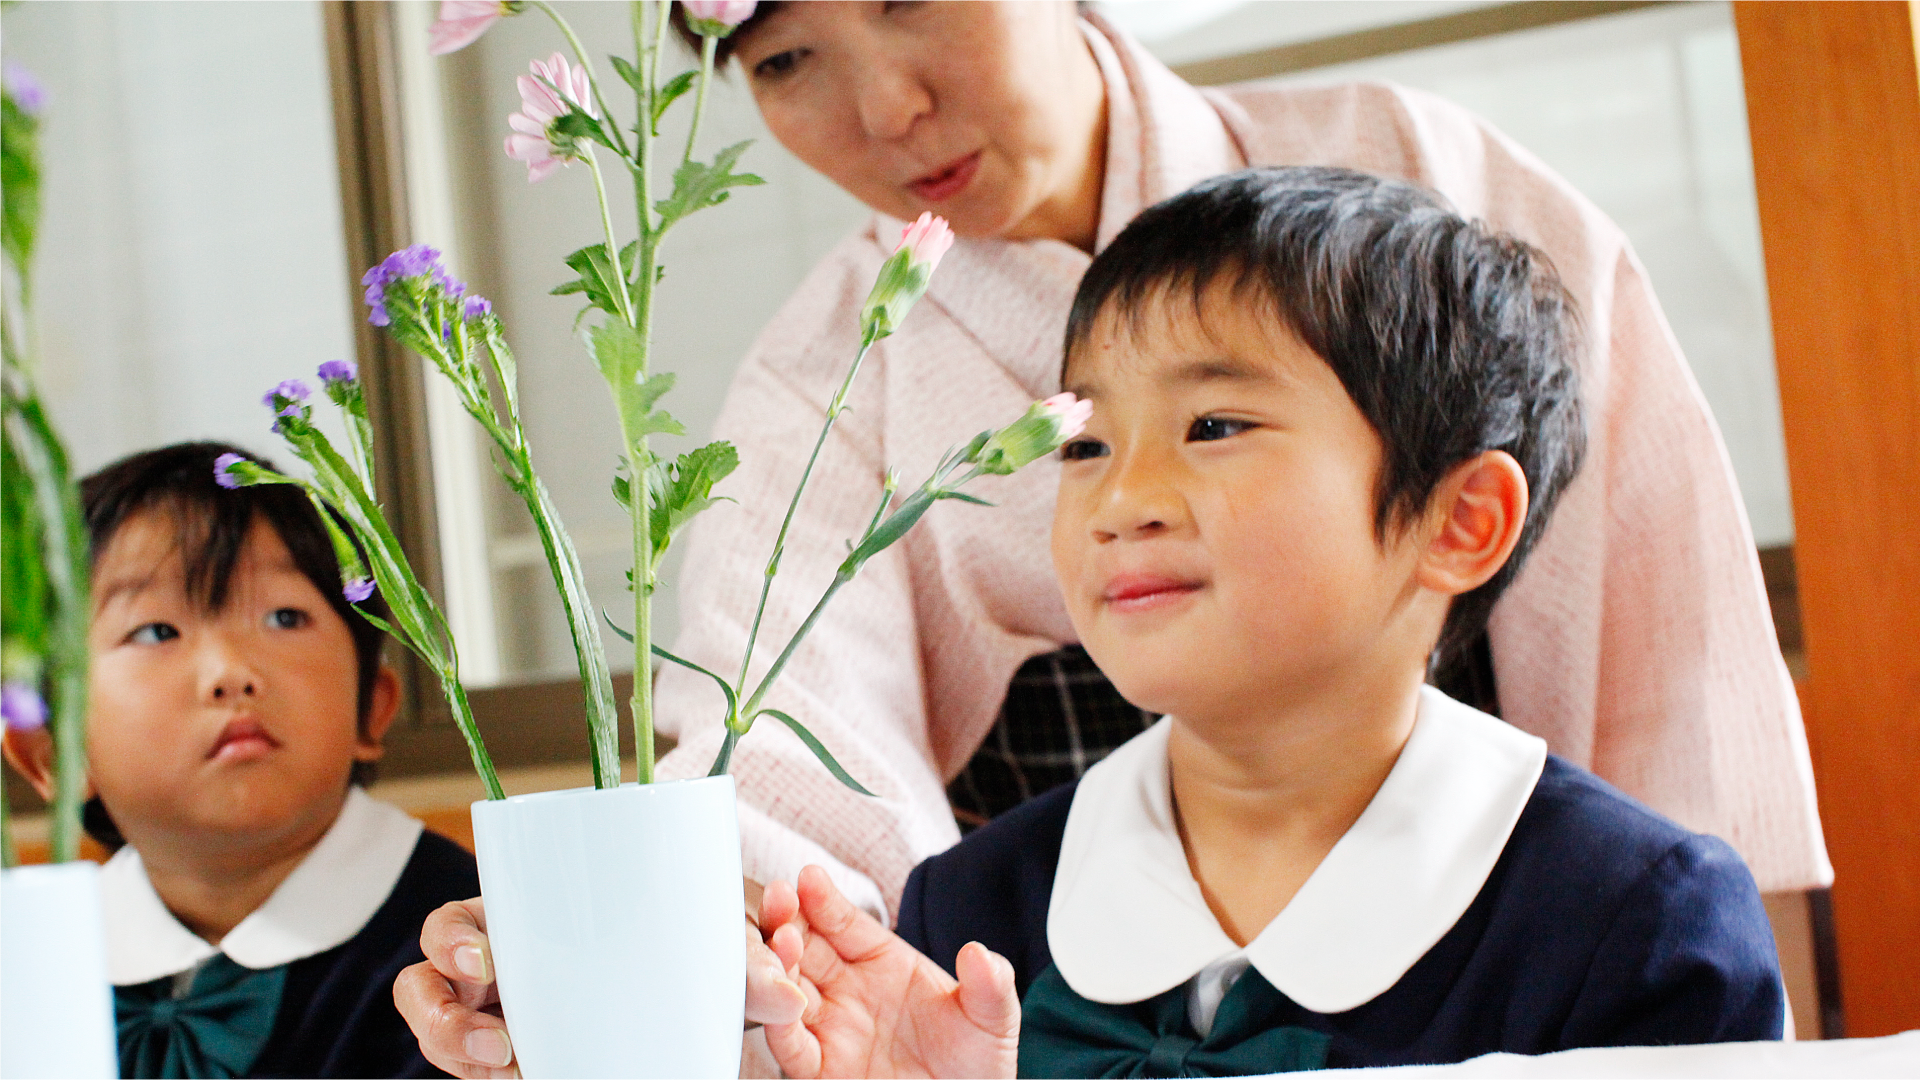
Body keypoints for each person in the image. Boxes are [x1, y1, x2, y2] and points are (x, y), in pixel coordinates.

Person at [396, 2, 1824, 1072]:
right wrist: (635, 962)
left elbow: (1661, 657)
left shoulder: (1423, 174)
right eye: (783, 60)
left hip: (1488, 931)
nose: (886, 107)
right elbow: (770, 756)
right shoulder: (827, 381)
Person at [758, 165, 1785, 1080]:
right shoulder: (970, 912)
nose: (1122, 501)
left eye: (1213, 426)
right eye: (1084, 445)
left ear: (1460, 522)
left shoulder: (1637, 921)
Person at [3, 442, 477, 1080]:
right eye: (156, 631)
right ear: (54, 755)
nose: (232, 672)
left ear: (371, 706)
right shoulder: (32, 963)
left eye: (284, 617)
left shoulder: (465, 949)